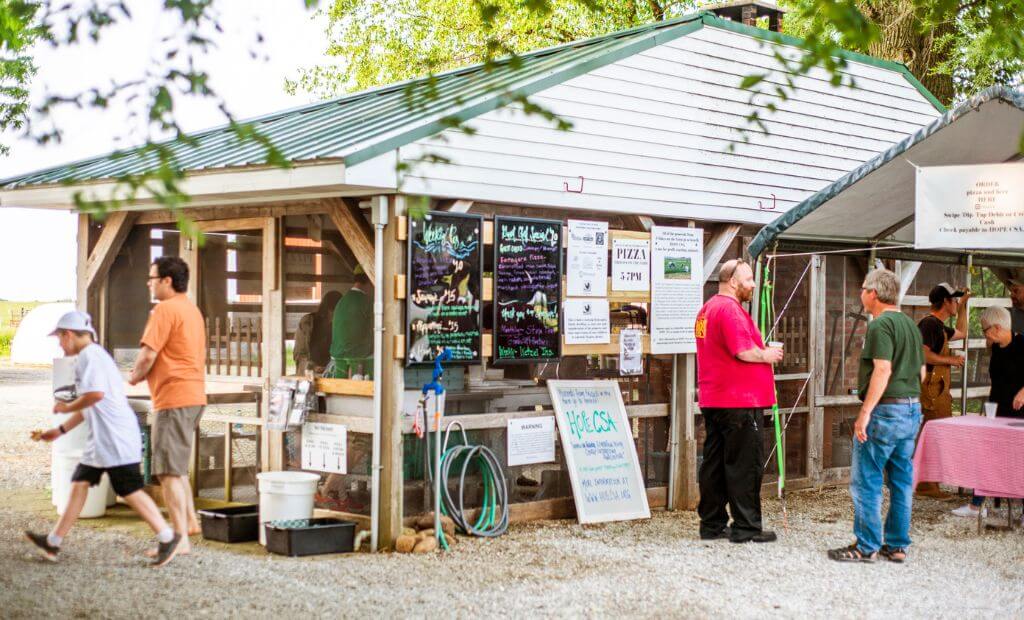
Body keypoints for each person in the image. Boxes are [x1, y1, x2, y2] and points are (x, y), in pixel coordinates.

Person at [25, 311, 181, 567]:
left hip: (116, 439)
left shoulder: (91, 357)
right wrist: (60, 431)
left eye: (60, 338)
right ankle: (53, 542)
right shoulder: (90, 356)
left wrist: (65, 408)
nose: (59, 344)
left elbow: (95, 395)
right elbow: (90, 406)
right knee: (79, 483)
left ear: (69, 334)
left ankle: (167, 537)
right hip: (103, 441)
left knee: (128, 489)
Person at [828, 268, 924, 563]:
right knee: (901, 481)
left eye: (863, 289)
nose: (861, 294)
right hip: (911, 408)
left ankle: (866, 545)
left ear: (874, 293)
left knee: (867, 480)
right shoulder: (910, 324)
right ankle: (896, 546)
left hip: (886, 410)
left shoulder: (880, 326)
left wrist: (865, 413)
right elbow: (922, 371)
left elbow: (883, 370)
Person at [694, 258, 783, 544]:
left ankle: (711, 524)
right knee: (745, 465)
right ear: (733, 282)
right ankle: (746, 526)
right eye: (748, 279)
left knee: (715, 464)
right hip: (740, 401)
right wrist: (766, 354)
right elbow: (743, 351)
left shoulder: (706, 310)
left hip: (715, 398)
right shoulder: (730, 310)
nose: (753, 285)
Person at [128, 256, 207, 556]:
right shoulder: (191, 309)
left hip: (173, 398)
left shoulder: (165, 309)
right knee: (177, 469)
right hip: (194, 396)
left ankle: (178, 540)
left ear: (167, 281)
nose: (149, 282)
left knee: (168, 472)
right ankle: (189, 522)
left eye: (152, 277)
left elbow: (148, 355)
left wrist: (133, 377)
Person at [951, 305, 1024, 518]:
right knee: (987, 454)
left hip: (1020, 413)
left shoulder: (1023, 344)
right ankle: (976, 505)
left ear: (998, 327)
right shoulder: (996, 350)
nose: (984, 334)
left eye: (985, 330)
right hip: (998, 409)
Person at [915, 282, 970, 500]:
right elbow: (923, 354)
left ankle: (929, 484)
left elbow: (963, 332)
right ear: (945, 302)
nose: (956, 302)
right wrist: (951, 360)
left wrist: (964, 305)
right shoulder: (929, 324)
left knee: (937, 434)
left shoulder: (940, 326)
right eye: (955, 300)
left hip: (939, 387)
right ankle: (926, 487)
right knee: (933, 435)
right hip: (930, 387)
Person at [327, 265, 373, 379]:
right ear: (370, 280)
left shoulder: (342, 301)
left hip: (338, 364)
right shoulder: (367, 303)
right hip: (358, 366)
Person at [293, 290, 342, 375]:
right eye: (333, 311)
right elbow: (299, 354)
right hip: (309, 375)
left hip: (330, 374)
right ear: (328, 309)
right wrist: (312, 367)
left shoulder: (339, 326)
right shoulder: (307, 322)